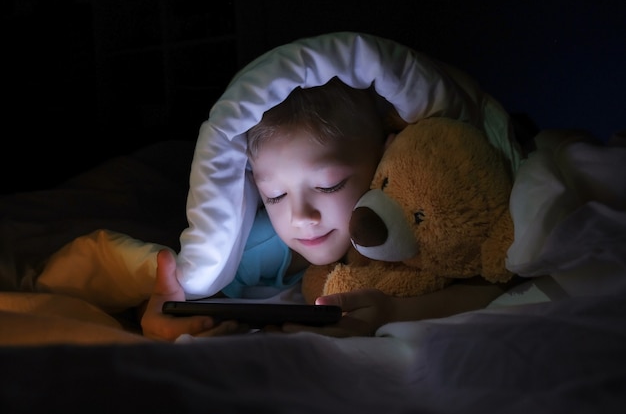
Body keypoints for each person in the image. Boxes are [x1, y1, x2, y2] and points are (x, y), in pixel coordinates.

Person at [140, 78, 517, 341]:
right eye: (274, 196)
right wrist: (166, 313)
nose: (301, 216)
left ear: (384, 157)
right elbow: (187, 295)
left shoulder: (419, 215)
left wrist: (392, 313)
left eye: (328, 185)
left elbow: (490, 284)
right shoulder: (259, 248)